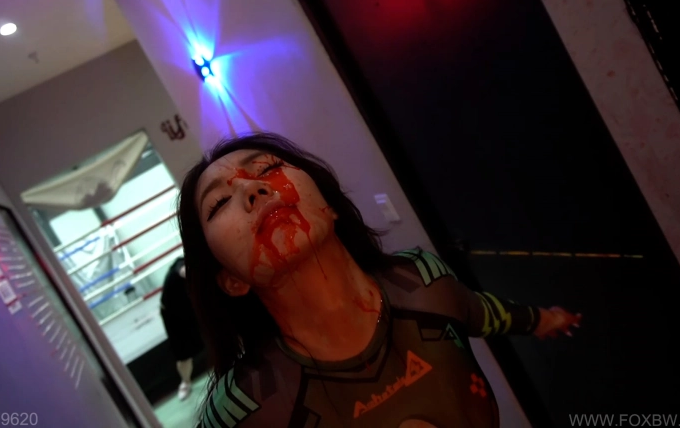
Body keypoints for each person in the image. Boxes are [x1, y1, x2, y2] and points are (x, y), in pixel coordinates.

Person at [176, 133, 581, 427]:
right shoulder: (245, 405)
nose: (252, 187)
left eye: (268, 168)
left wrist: (543, 320)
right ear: (230, 281)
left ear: (327, 203)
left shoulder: (423, 280)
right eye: (219, 202)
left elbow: (477, 310)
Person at [159, 257, 206, 401]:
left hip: (195, 309)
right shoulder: (181, 264)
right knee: (182, 356)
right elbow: (183, 270)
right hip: (173, 316)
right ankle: (186, 382)